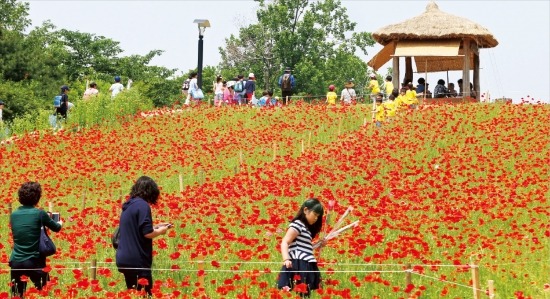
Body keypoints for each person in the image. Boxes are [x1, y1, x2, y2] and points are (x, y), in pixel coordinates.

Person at [116, 176, 171, 297]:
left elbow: (137, 228)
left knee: (133, 293)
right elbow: (147, 233)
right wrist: (161, 231)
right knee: (145, 294)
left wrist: (156, 225)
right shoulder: (142, 205)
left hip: (124, 259)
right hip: (137, 260)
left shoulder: (129, 205)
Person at [9, 182, 63, 298]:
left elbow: (27, 230)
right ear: (37, 198)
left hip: (16, 261)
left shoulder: (13, 214)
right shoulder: (40, 213)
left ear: (20, 197)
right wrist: (59, 222)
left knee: (17, 295)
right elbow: (57, 228)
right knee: (45, 293)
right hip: (34, 261)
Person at [278, 198, 324, 297]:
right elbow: (285, 242)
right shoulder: (298, 224)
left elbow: (306, 247)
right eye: (315, 214)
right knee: (301, 291)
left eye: (318, 216)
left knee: (304, 293)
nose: (316, 218)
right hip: (298, 263)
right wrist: (286, 259)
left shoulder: (306, 229)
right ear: (306, 210)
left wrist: (319, 244)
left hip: (306, 262)